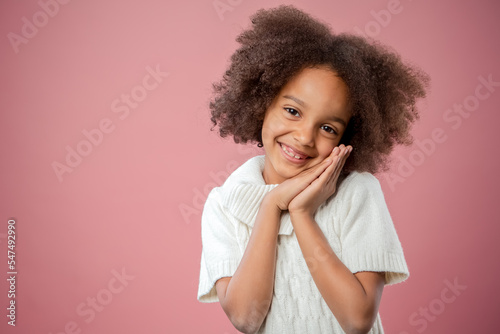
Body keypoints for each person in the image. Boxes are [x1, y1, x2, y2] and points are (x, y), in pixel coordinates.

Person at [197, 5, 428, 334]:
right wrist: (271, 205)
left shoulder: (357, 193)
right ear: (261, 103)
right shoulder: (224, 203)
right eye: (292, 110)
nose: (305, 137)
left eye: (328, 129)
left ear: (347, 139)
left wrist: (302, 214)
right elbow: (247, 319)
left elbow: (357, 320)